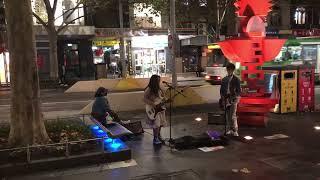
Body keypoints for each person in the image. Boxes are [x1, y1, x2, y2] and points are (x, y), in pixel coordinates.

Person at [144, 75, 167, 145]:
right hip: (153, 108)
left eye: (159, 80)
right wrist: (153, 104)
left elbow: (161, 98)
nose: (159, 81)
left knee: (160, 123)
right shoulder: (149, 89)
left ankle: (158, 136)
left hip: (160, 108)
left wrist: (165, 99)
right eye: (158, 80)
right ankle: (155, 138)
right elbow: (144, 99)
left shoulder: (159, 88)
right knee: (156, 124)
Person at [220, 63, 241, 137]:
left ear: (233, 70)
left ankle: (235, 130)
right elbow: (221, 90)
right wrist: (222, 99)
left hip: (233, 98)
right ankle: (230, 129)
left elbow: (239, 91)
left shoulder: (236, 79)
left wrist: (236, 98)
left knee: (232, 115)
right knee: (228, 115)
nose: (229, 71)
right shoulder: (224, 79)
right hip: (226, 98)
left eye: (230, 70)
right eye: (228, 70)